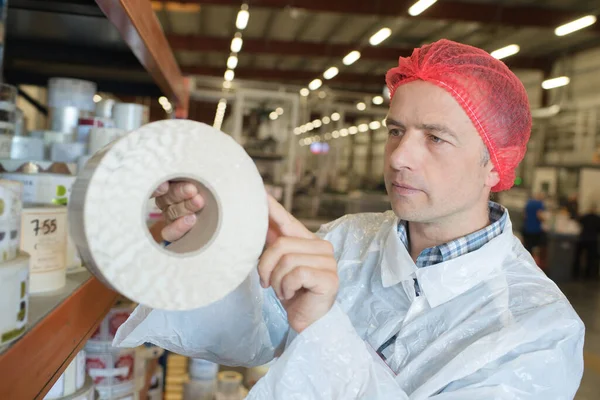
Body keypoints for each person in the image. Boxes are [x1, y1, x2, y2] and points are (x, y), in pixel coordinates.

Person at [114, 40, 584, 398]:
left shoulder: (537, 331)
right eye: (396, 131)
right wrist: (208, 240)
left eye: (435, 138)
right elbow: (250, 333)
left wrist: (323, 328)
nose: (400, 157)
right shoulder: (348, 239)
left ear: (496, 165)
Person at [574, 204, 600, 279]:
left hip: (582, 239)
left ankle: (576, 272)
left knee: (578, 256)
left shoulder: (585, 217)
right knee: (590, 258)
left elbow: (578, 223)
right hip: (593, 240)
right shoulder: (597, 218)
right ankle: (588, 274)